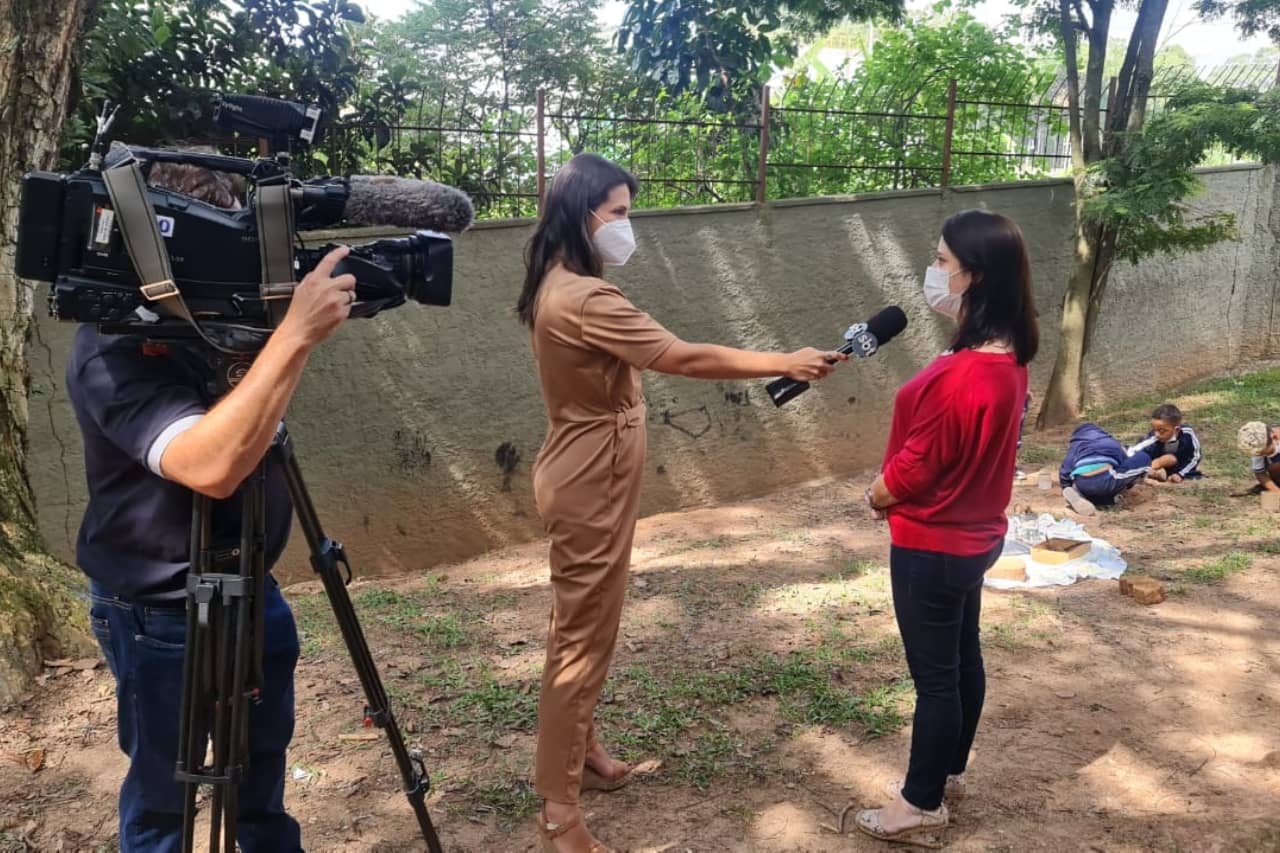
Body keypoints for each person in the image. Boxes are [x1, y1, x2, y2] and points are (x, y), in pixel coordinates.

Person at [517, 153, 845, 853]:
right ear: (585, 216)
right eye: (621, 213)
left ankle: (579, 750)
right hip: (590, 480)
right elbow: (683, 357)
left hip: (586, 469)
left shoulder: (562, 281)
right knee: (582, 636)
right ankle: (558, 813)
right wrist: (783, 360)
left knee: (582, 627)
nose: (628, 227)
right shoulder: (584, 298)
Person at [71, 152, 358, 852]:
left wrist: (280, 336)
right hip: (157, 608)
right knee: (164, 805)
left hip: (251, 588)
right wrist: (293, 336)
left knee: (261, 787)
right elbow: (212, 465)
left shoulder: (218, 326)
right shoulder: (112, 345)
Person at [857, 210, 1038, 847]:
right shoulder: (1006, 357)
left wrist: (877, 493)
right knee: (963, 661)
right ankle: (949, 775)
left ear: (975, 277)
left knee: (936, 680)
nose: (932, 272)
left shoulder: (966, 374)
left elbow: (919, 465)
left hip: (932, 544)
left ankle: (918, 804)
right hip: (975, 537)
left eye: (941, 262)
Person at [1059, 424, 1152, 516]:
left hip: (1082, 481)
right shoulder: (1111, 442)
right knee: (1144, 457)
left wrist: (1066, 486)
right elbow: (1124, 462)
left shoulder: (1076, 446)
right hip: (1104, 479)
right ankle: (1112, 496)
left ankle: (1081, 495)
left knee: (1098, 487)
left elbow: (1065, 469)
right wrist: (1129, 484)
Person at [1126, 403, 1202, 483]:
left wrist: (1181, 474)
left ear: (1176, 430)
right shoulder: (1153, 437)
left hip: (1180, 465)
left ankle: (1157, 473)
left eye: (1161, 431)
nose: (1156, 434)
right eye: (1154, 429)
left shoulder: (1187, 435)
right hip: (1155, 462)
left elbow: (1195, 457)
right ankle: (1148, 472)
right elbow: (1135, 450)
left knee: (1170, 459)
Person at [1237, 421, 1280, 493]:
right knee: (1274, 466)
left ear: (1274, 438)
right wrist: (1276, 491)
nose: (1261, 455)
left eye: (1265, 452)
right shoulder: (1258, 446)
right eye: (1259, 454)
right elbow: (1260, 473)